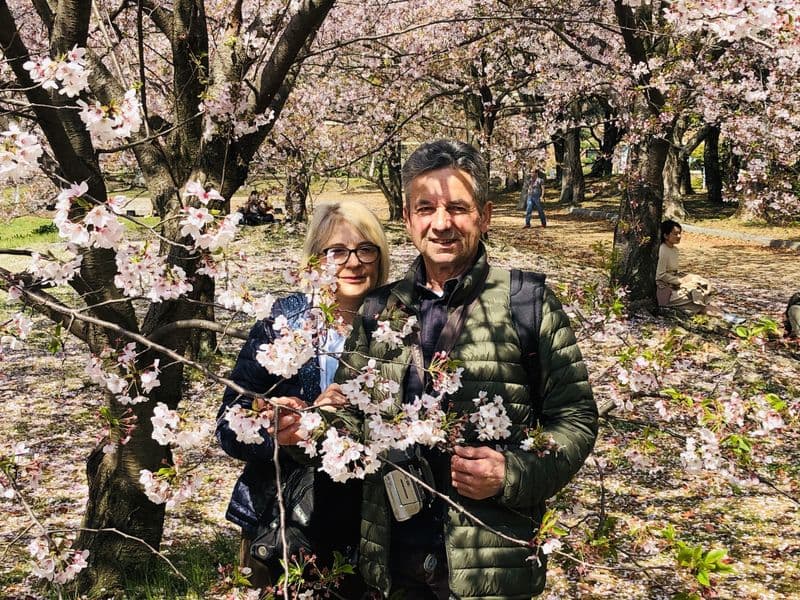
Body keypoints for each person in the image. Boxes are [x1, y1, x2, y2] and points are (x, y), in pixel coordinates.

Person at [335, 139, 598, 599]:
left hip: (490, 565)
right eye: (426, 208)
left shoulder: (527, 304)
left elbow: (575, 418)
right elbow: (348, 411)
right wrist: (308, 427)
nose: (441, 223)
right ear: (407, 216)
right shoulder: (380, 309)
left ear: (485, 214)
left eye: (458, 207)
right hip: (394, 562)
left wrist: (511, 473)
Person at [216, 199, 389, 591]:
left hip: (371, 521)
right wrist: (279, 427)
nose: (353, 262)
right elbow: (229, 424)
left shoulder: (396, 325)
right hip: (290, 518)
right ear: (315, 260)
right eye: (337, 251)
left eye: (365, 249)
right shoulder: (286, 323)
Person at [656, 220, 714, 315]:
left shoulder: (674, 250)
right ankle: (725, 317)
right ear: (666, 236)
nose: (679, 236)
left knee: (701, 283)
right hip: (665, 290)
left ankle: (726, 316)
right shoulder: (662, 250)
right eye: (675, 234)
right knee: (697, 299)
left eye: (680, 233)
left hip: (674, 283)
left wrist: (688, 277)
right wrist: (681, 281)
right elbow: (660, 275)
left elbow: (673, 271)